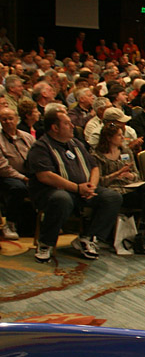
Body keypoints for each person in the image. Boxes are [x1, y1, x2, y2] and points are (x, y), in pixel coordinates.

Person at [26, 110, 122, 263]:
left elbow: (94, 167)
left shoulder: (76, 143)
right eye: (66, 123)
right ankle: (46, 243)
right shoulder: (41, 147)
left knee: (112, 197)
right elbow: (45, 175)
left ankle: (87, 238)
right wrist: (77, 188)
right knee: (62, 199)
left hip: (82, 190)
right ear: (55, 128)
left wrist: (91, 186)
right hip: (53, 192)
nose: (72, 126)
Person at [92, 122, 145, 255]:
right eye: (119, 135)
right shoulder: (97, 156)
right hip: (113, 192)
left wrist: (130, 175)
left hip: (129, 188)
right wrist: (117, 174)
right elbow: (99, 181)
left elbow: (137, 175)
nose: (122, 138)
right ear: (109, 138)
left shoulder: (126, 152)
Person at [0, 106, 34, 238]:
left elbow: (37, 157)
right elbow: (3, 167)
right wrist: (23, 178)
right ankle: (10, 223)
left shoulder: (27, 137)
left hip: (29, 173)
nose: (8, 122)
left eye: (10, 118)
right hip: (7, 176)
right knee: (18, 188)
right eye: (4, 119)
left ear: (17, 119)